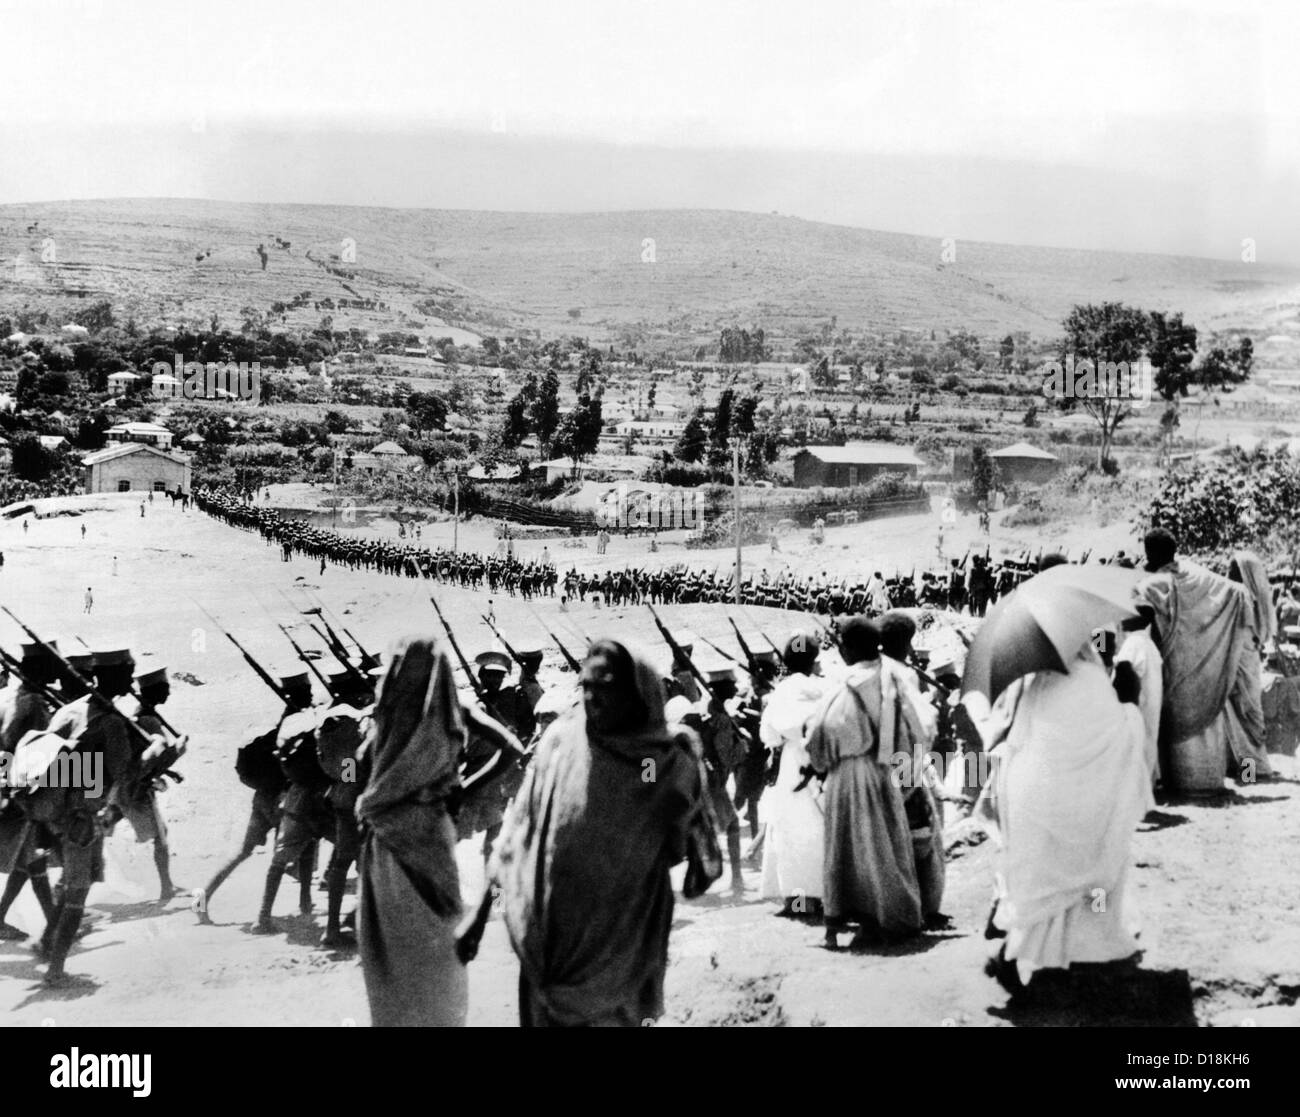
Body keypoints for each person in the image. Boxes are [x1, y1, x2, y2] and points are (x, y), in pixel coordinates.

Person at [490, 638, 706, 1026]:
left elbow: (660, 802)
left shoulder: (643, 756)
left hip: (594, 922)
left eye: (606, 691)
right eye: (591, 691)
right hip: (573, 923)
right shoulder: (567, 746)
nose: (596, 701)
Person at [980, 640, 1150, 995]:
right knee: (1089, 879)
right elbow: (1116, 734)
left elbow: (1021, 738)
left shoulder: (1036, 681)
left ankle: (1017, 954)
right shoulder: (1090, 680)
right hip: (1077, 802)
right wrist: (1130, 701)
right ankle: (1076, 955)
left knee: (1040, 884)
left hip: (1033, 798)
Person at [356, 635, 500, 1027]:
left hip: (387, 835)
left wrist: (384, 780)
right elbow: (512, 749)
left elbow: (355, 764)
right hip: (433, 833)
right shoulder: (454, 711)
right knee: (437, 937)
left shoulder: (385, 715)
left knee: (391, 943)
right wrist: (460, 789)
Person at [805, 618, 929, 949]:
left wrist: (820, 763)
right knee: (883, 847)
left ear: (848, 647)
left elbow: (820, 733)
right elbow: (918, 728)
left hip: (846, 776)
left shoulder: (841, 684)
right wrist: (907, 776)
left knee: (844, 849)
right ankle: (889, 915)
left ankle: (843, 920)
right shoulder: (894, 678)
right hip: (883, 774)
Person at [36, 646, 144, 984]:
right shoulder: (111, 722)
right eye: (129, 671)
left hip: (53, 810)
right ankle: (55, 970)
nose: (132, 677)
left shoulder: (69, 710)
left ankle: (46, 940)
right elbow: (125, 773)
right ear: (117, 675)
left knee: (69, 881)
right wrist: (157, 754)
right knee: (77, 894)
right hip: (81, 816)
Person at [1136, 529, 1257, 792]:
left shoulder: (1153, 583)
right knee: (1240, 723)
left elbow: (1140, 617)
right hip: (1206, 664)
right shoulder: (1194, 573)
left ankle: (1244, 775)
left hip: (1175, 666)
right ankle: (1232, 777)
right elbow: (1233, 591)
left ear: (1150, 553)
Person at [194, 669, 312, 921]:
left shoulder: (278, 726)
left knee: (243, 852)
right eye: (308, 690)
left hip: (262, 797)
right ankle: (278, 912)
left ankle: (202, 898)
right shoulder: (300, 724)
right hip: (285, 799)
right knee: (295, 849)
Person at [759, 633, 830, 914]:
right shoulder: (824, 687)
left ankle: (799, 901)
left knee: (792, 829)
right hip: (822, 759)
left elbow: (770, 735)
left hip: (792, 762)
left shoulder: (783, 690)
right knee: (819, 827)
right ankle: (825, 894)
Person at [0, 641, 60, 939]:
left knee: (30, 860)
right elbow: (22, 747)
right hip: (24, 791)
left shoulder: (15, 698)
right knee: (32, 859)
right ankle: (56, 926)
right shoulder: (33, 703)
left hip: (13, 788)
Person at [115, 663, 179, 903]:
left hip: (128, 785)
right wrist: (178, 750)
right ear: (155, 690)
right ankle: (165, 888)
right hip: (137, 787)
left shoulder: (140, 715)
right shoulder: (149, 720)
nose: (169, 693)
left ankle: (167, 884)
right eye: (165, 688)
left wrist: (169, 773)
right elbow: (157, 757)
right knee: (160, 837)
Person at [1224, 550, 1275, 782]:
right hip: (1248, 662)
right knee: (1248, 719)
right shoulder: (1256, 600)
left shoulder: (1241, 596)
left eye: (1232, 569)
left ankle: (1250, 773)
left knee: (1244, 722)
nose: (1228, 573)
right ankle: (1249, 770)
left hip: (1240, 663)